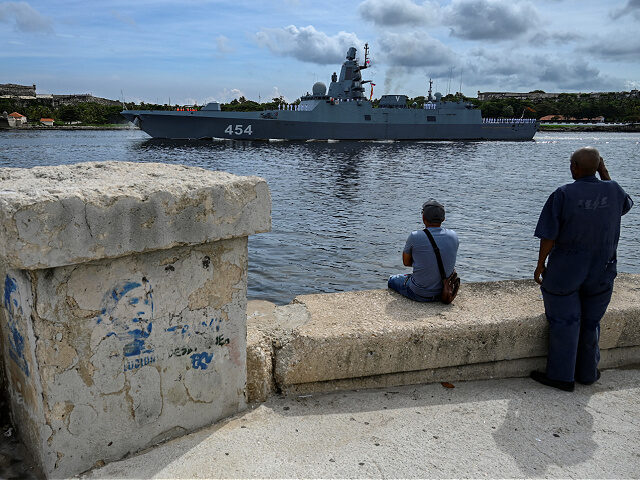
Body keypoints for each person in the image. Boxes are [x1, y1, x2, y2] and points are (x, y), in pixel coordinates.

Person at [531, 147, 633, 391]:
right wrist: (604, 172)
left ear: (574, 167)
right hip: (603, 269)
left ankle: (562, 376)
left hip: (567, 269)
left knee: (565, 320)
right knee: (590, 322)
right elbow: (625, 206)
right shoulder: (614, 189)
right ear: (598, 167)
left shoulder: (563, 194)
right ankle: (587, 373)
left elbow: (549, 236)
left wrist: (540, 264)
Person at [388, 199, 459, 302]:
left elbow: (406, 262)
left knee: (392, 279)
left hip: (419, 294)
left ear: (423, 217)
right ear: (443, 219)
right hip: (443, 291)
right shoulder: (453, 235)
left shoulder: (415, 236)